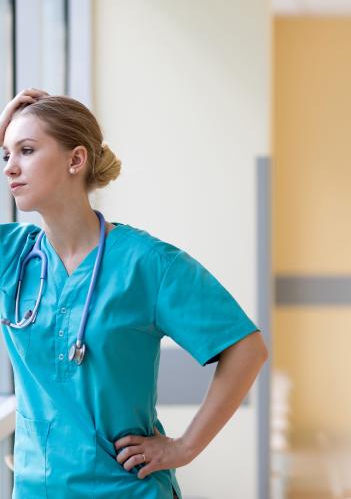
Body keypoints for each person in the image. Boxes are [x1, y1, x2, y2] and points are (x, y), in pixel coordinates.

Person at [0, 88, 269, 498]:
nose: (10, 168)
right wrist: (5, 125)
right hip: (38, 489)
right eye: (5, 155)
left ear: (76, 159)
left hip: (126, 489)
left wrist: (185, 447)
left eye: (26, 150)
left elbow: (247, 349)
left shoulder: (148, 264)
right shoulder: (13, 255)